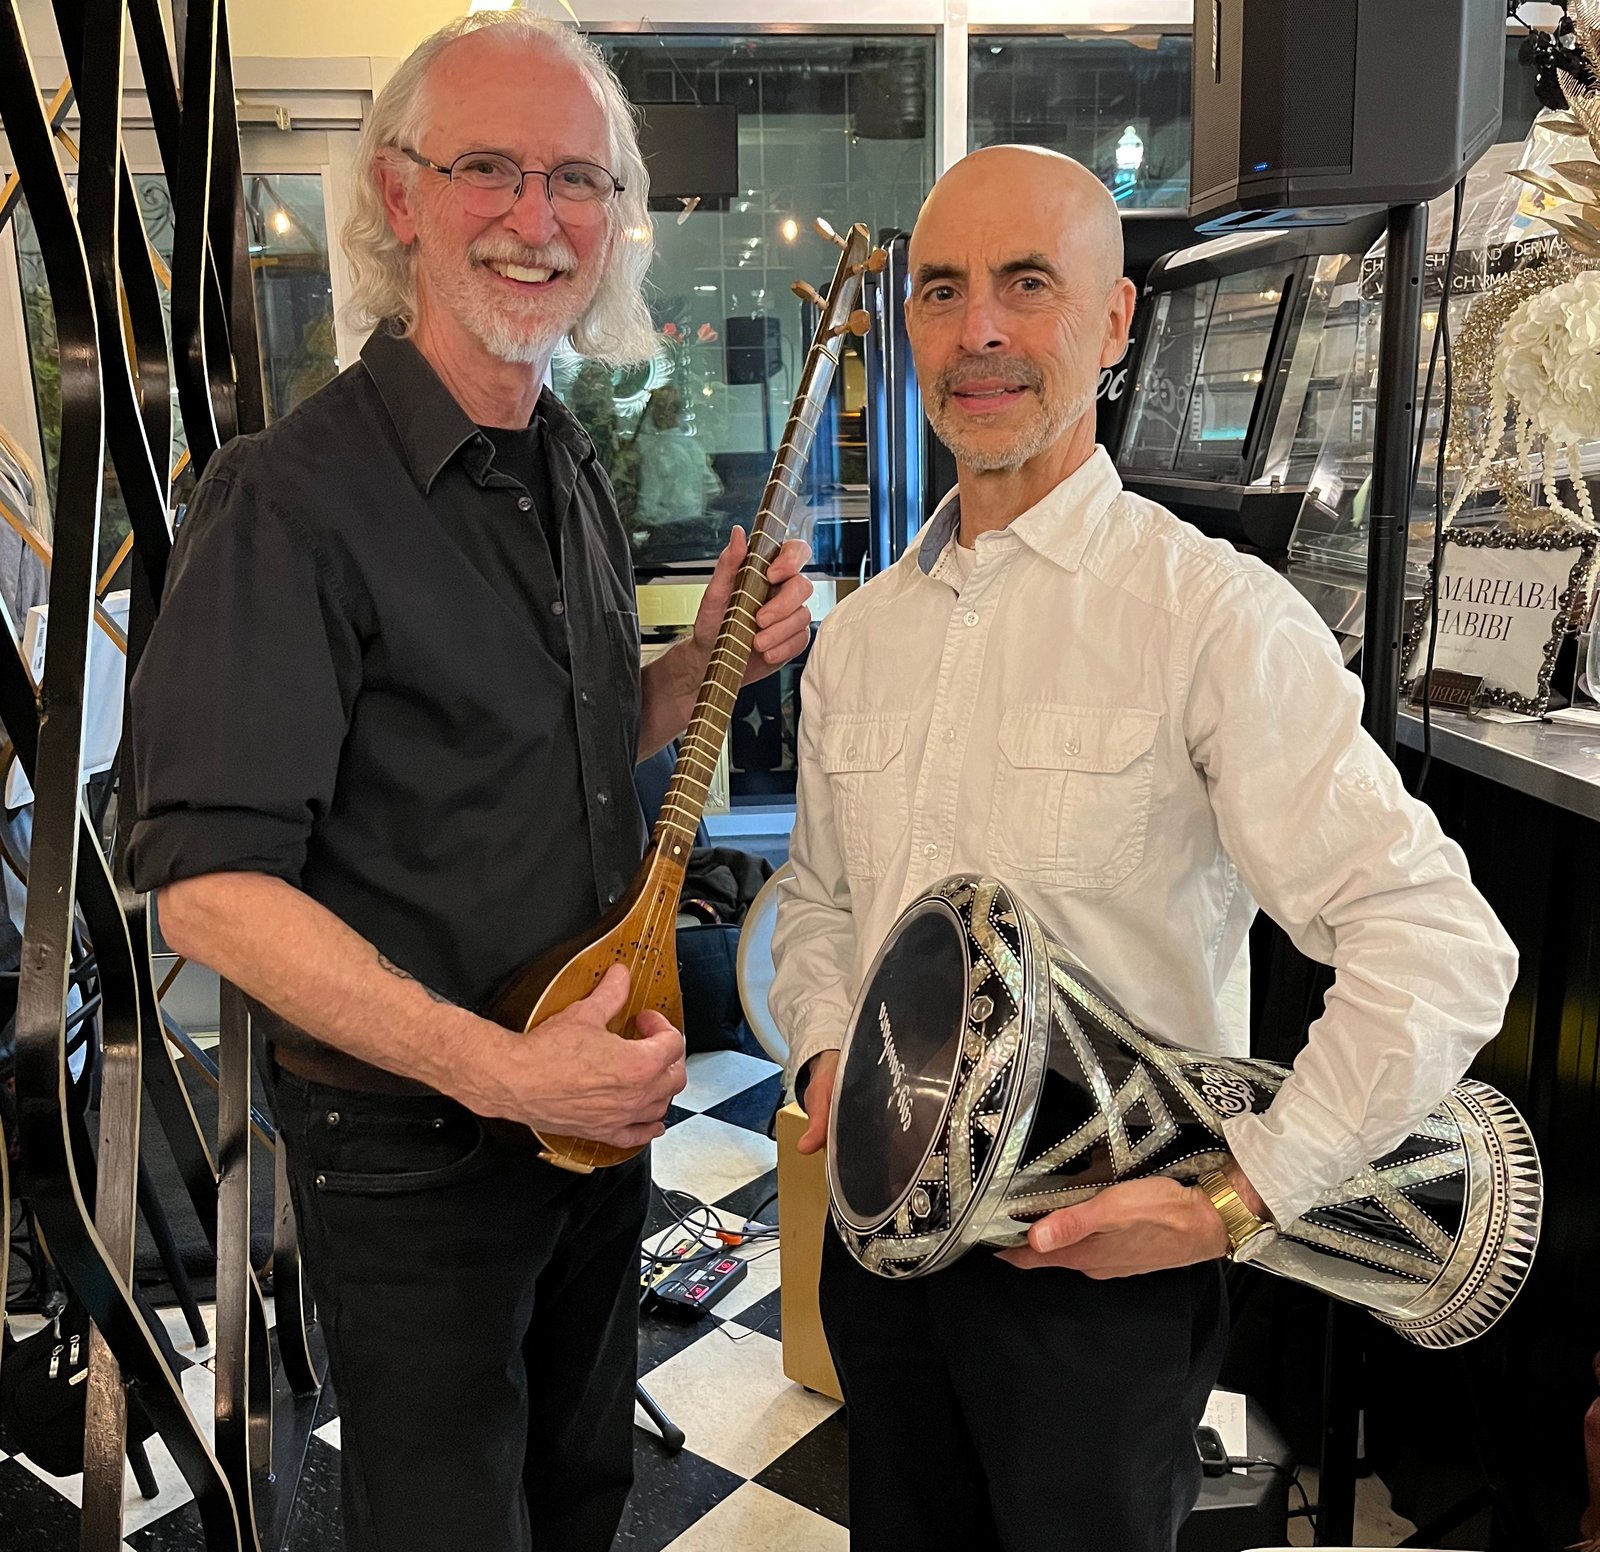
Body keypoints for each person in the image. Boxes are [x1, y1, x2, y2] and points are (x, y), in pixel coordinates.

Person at [124, 14, 814, 1552]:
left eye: (577, 179)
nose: (536, 216)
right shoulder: (289, 504)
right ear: (401, 194)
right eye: (489, 168)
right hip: (419, 1151)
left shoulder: (561, 462)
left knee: (577, 1494)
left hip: (592, 1100)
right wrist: (502, 1073)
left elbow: (555, 754)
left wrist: (700, 667)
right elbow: (210, 892)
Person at [768, 145, 1518, 1552]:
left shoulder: (1210, 618)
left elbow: (1439, 943)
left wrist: (1243, 1198)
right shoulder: (859, 641)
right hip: (882, 1258)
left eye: (1027, 285)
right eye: (942, 290)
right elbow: (819, 902)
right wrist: (825, 1055)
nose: (979, 331)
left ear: (1114, 323)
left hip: (1099, 1292)